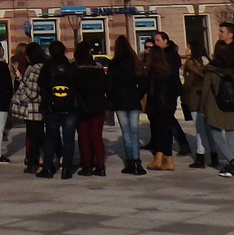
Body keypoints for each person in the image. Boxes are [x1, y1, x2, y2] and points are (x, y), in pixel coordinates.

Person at [203, 22, 234, 177]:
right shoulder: (233, 66)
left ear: (230, 34)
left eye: (222, 31)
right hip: (233, 101)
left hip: (224, 103)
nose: (219, 33)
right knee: (232, 132)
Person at [36, 40, 78, 180]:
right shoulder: (71, 67)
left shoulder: (46, 67)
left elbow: (41, 84)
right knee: (69, 138)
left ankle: (47, 168)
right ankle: (66, 169)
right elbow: (78, 86)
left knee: (50, 137)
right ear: (64, 51)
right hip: (70, 107)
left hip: (52, 107)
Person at [143, 32, 185, 170]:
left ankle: (169, 161)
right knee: (164, 130)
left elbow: (150, 89)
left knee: (163, 131)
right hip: (169, 102)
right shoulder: (168, 70)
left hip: (158, 104)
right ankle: (159, 158)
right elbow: (177, 87)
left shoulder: (154, 71)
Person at [107, 35, 145, 176]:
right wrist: (138, 94)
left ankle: (130, 162)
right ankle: (137, 161)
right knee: (134, 132)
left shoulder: (114, 64)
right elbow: (143, 83)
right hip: (133, 100)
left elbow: (109, 86)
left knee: (126, 132)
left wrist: (112, 98)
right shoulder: (136, 62)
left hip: (120, 101)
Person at [71, 40, 109, 176]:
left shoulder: (75, 69)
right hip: (99, 105)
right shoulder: (98, 68)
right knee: (97, 136)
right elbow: (106, 86)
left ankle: (87, 164)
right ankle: (100, 164)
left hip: (83, 107)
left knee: (84, 136)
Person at [10, 42, 46, 173]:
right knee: (40, 135)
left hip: (32, 109)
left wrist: (17, 99)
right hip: (41, 107)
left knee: (33, 137)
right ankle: (44, 159)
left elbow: (31, 92)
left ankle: (32, 162)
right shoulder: (43, 67)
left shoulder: (34, 69)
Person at [180, 42, 211, 168]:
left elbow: (188, 83)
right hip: (208, 97)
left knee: (199, 129)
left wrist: (183, 96)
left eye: (188, 46)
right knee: (209, 128)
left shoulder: (191, 64)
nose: (186, 49)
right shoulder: (207, 61)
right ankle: (214, 155)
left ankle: (200, 156)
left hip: (195, 98)